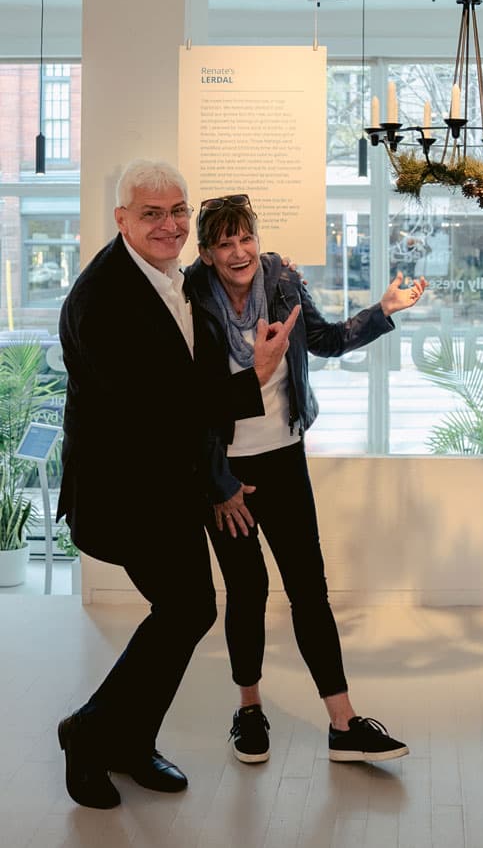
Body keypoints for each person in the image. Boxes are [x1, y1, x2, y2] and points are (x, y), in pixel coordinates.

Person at [56, 161, 291, 809]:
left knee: (188, 610)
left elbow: (186, 386)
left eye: (178, 210)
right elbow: (158, 409)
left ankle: (129, 742)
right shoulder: (103, 298)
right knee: (187, 609)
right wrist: (256, 378)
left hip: (172, 487)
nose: (170, 224)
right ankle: (88, 734)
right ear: (122, 219)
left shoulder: (169, 279)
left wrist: (215, 480)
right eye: (152, 213)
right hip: (127, 496)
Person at [184, 194, 427, 765]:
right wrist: (217, 484)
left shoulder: (283, 278)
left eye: (246, 238)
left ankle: (343, 725)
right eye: (225, 243)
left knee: (309, 590)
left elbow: (325, 340)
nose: (239, 251)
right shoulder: (189, 295)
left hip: (284, 457)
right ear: (207, 252)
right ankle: (249, 710)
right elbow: (189, 402)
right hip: (228, 471)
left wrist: (383, 309)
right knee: (247, 590)